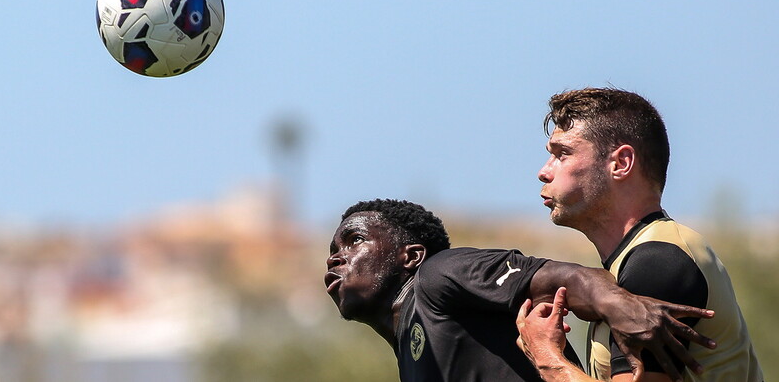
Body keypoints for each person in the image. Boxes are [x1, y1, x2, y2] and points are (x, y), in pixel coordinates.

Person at [325, 198, 714, 382]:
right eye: (332, 251)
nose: (335, 259)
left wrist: (623, 305)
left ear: (411, 256)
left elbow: (566, 278)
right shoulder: (409, 346)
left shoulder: (440, 274)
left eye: (353, 241)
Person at [529, 87, 762, 381]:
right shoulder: (646, 254)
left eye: (562, 154)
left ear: (621, 163)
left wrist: (547, 357)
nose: (543, 172)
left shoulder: (658, 262)